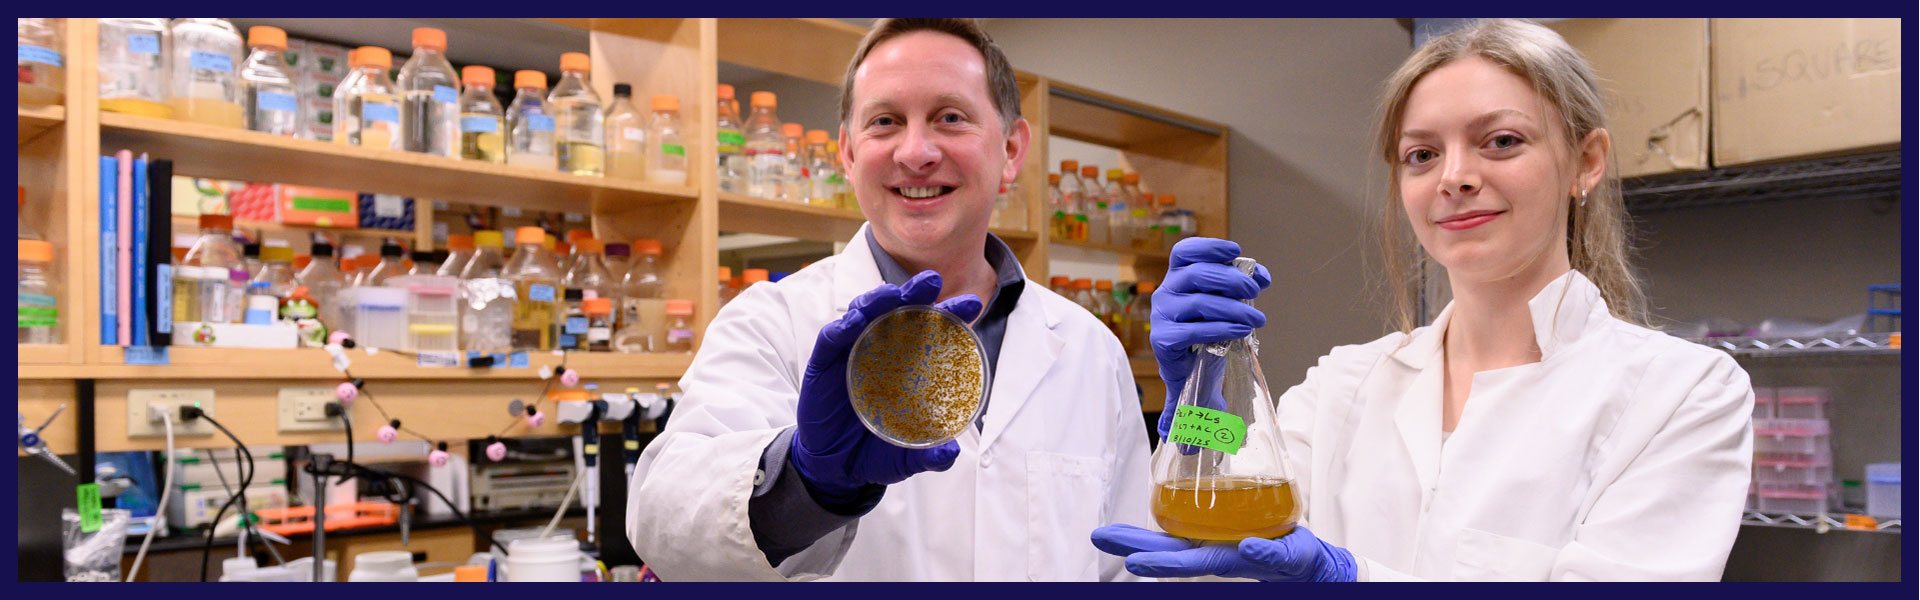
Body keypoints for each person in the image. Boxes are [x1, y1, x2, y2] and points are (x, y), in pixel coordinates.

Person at [1093, 19, 1754, 581]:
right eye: (1422, 154)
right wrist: (1204, 403)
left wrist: (1351, 579)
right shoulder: (1345, 386)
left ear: (1586, 161)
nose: (1456, 177)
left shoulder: (1683, 394)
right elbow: (1223, 519)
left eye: (1502, 141)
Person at [626, 18, 1150, 581]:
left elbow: (1131, 560)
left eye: (950, 117)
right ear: (849, 155)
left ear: (1012, 150)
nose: (917, 152)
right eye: (885, 122)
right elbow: (664, 522)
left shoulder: (1089, 347)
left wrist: (1210, 416)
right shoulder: (770, 324)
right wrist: (807, 481)